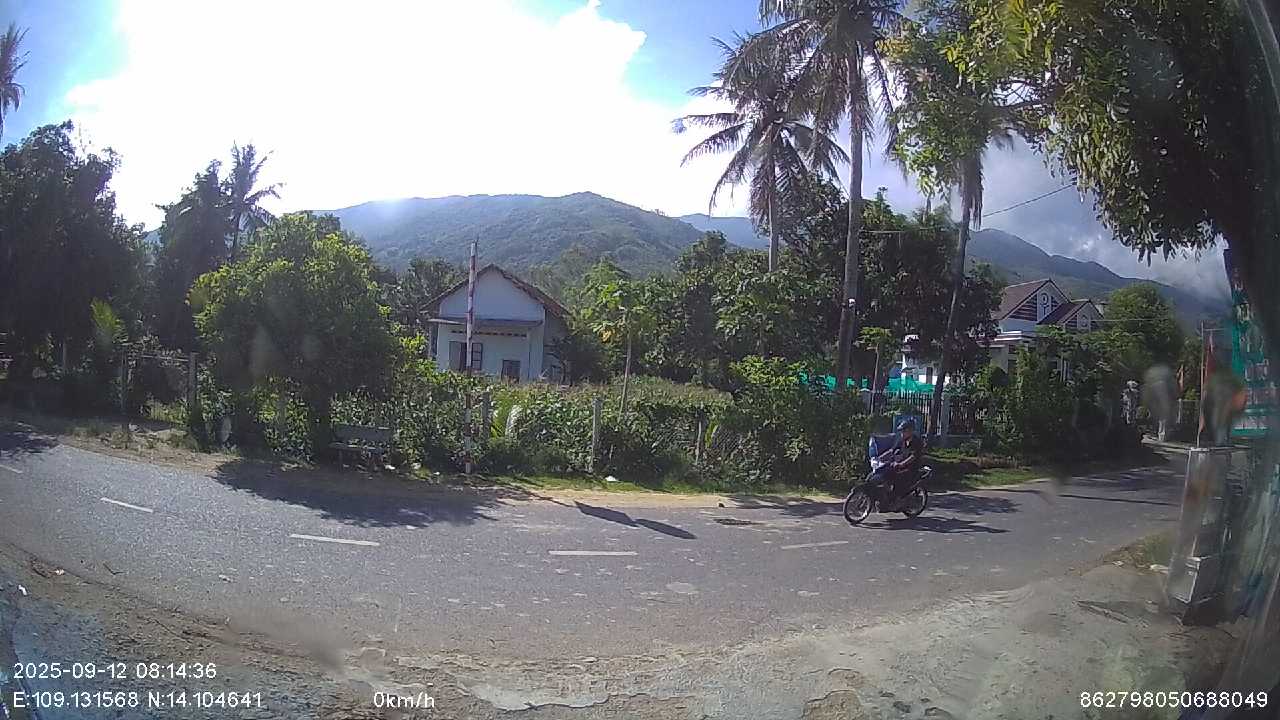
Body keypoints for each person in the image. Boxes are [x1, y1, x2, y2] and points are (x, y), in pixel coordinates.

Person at [882, 419, 923, 508]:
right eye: (901, 431)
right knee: (885, 474)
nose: (902, 433)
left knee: (898, 478)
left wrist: (902, 464)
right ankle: (887, 497)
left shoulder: (917, 442)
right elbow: (892, 450)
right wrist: (880, 457)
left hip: (910, 469)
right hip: (899, 466)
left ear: (910, 431)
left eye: (904, 431)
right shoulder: (902, 440)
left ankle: (898, 500)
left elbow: (913, 456)